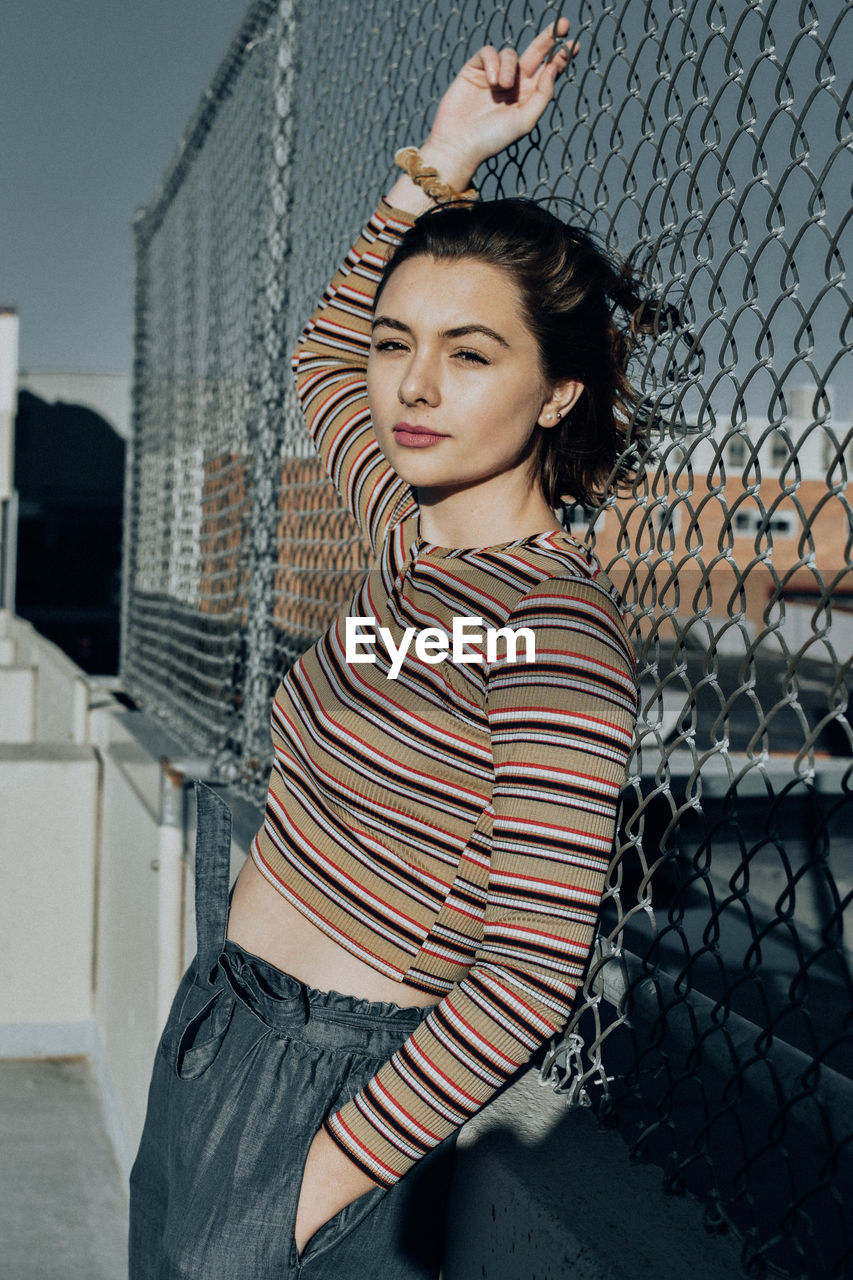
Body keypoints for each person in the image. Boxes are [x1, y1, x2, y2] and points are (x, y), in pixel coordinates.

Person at [129, 15, 648, 1278]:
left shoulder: (556, 636)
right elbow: (323, 352)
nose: (412, 386)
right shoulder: (412, 542)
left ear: (557, 390)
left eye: (469, 353)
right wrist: (445, 155)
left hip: (329, 1096)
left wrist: (306, 1186)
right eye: (398, 343)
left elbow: (525, 977)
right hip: (220, 1025)